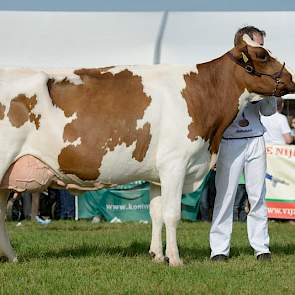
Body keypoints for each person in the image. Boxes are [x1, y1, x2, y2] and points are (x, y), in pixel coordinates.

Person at [209, 26, 276, 262]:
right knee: (224, 196)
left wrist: (266, 90)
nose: (263, 50)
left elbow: (269, 112)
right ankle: (219, 249)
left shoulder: (264, 73)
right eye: (259, 45)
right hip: (229, 140)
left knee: (257, 195)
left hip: (256, 138)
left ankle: (261, 248)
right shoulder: (224, 71)